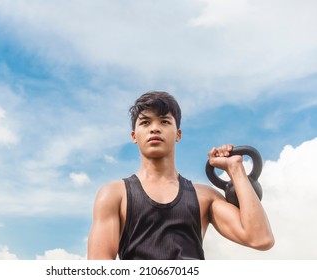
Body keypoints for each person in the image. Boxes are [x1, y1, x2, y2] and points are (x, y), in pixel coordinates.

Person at [87, 91, 274, 260]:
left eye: (164, 121)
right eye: (145, 122)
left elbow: (260, 239)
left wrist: (236, 169)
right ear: (134, 136)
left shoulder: (204, 197)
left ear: (178, 134)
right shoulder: (113, 194)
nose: (154, 128)